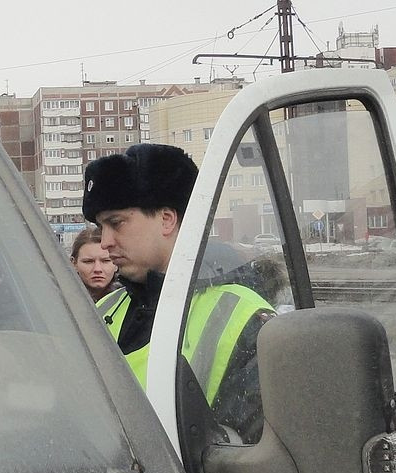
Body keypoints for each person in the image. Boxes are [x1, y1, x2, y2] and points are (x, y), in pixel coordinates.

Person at [83, 143, 275, 443]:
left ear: (167, 219)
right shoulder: (105, 308)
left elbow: (251, 453)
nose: (105, 241)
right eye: (100, 227)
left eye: (116, 223)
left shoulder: (246, 317)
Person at [69, 226, 120, 302]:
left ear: (117, 264)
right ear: (74, 263)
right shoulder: (60, 298)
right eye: (88, 261)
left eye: (105, 261)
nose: (97, 269)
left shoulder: (133, 298)